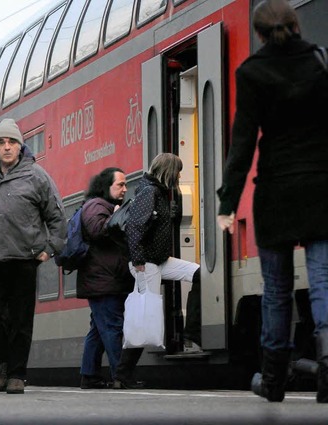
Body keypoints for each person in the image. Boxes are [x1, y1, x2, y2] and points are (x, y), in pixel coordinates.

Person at [216, 0, 328, 403]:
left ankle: (274, 379)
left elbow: (243, 144)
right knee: (324, 281)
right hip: (321, 186)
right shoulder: (321, 61)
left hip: (276, 191)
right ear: (295, 25)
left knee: (277, 290)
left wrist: (227, 202)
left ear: (260, 33)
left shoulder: (252, 72)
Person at [0, 118, 66, 394]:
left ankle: (16, 374)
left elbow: (56, 215)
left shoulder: (37, 176)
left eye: (11, 142)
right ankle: (4, 361)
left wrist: (50, 248)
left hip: (24, 258)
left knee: (21, 320)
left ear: (20, 146)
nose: (6, 147)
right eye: (1, 143)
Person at [126, 153, 202, 351]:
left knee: (199, 274)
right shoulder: (149, 192)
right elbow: (134, 226)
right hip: (146, 263)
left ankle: (192, 332)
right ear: (169, 172)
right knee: (147, 318)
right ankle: (122, 374)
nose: (178, 177)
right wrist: (138, 260)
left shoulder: (159, 193)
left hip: (159, 260)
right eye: (177, 172)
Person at [76, 168, 135, 389]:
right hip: (103, 280)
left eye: (125, 184)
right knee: (112, 327)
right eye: (120, 184)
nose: (124, 189)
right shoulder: (95, 206)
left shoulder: (105, 207)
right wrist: (117, 216)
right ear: (106, 186)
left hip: (106, 278)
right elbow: (96, 230)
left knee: (98, 330)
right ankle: (120, 375)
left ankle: (89, 375)